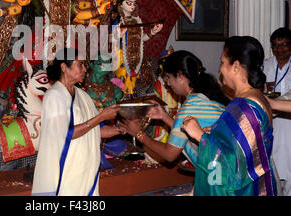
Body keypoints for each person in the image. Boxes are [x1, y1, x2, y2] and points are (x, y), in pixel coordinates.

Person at [181, 36, 278, 196]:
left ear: (236, 66)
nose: (220, 70)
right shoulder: (253, 98)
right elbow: (241, 146)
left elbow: (233, 164)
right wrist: (215, 132)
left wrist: (199, 135)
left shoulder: (245, 106)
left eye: (223, 62)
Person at [31, 48, 123, 196]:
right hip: (64, 171)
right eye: (80, 64)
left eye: (85, 64)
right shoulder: (54, 95)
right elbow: (66, 133)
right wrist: (101, 117)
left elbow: (96, 131)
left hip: (82, 171)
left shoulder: (83, 96)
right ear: (63, 67)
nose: (85, 69)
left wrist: (123, 129)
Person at [120, 50, 229, 167]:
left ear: (180, 75)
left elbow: (169, 154)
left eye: (168, 78)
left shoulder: (190, 106)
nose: (168, 84)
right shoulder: (207, 97)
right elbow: (186, 131)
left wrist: (139, 134)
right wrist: (164, 117)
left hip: (218, 176)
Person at [263, 27, 291, 196]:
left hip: (289, 124)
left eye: (285, 45)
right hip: (271, 122)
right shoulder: (265, 65)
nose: (280, 49)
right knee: (272, 166)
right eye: (276, 45)